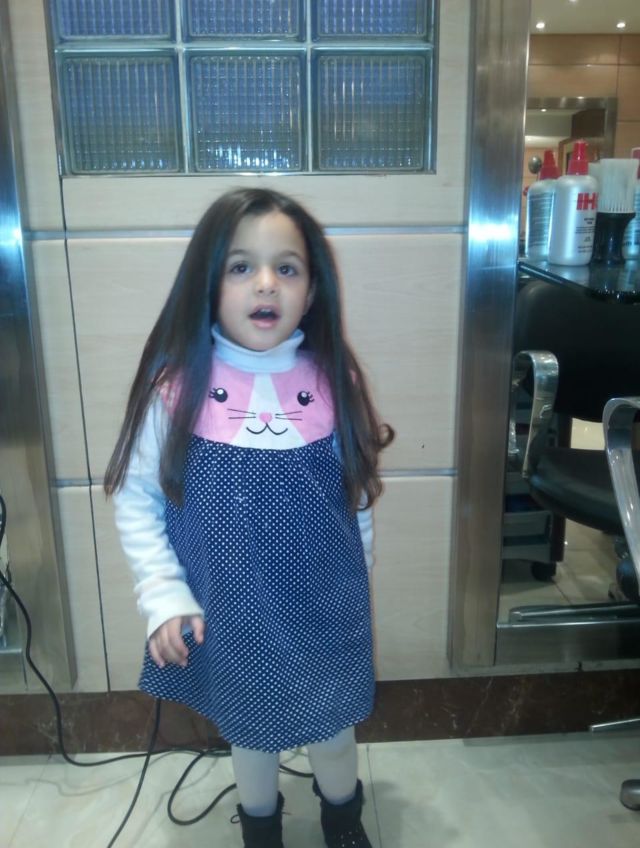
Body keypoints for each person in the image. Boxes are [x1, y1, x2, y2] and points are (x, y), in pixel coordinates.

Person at [104, 188, 394, 848]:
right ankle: (260, 831)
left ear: (312, 291)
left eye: (286, 268)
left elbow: (353, 495)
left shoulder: (332, 382)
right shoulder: (176, 390)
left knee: (334, 727)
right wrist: (164, 596)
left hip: (326, 607)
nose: (266, 283)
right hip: (232, 614)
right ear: (207, 283)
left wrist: (360, 575)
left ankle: (343, 818)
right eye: (241, 266)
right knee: (250, 732)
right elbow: (139, 501)